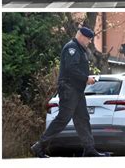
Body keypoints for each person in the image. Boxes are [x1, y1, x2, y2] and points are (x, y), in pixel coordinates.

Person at [31, 27, 108, 157]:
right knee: (63, 118)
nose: (89, 41)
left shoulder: (79, 49)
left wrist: (86, 78)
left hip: (76, 90)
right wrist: (86, 78)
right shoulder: (71, 48)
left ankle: (89, 149)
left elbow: (76, 69)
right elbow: (71, 69)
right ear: (81, 36)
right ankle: (39, 146)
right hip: (69, 89)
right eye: (88, 39)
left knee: (83, 119)